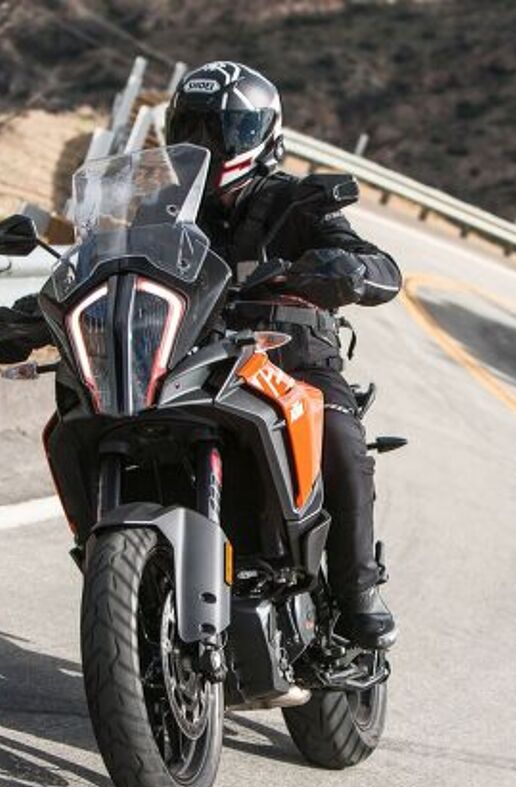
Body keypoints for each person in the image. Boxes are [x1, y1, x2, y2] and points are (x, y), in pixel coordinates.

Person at [165, 62, 400, 650]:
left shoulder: (297, 202)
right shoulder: (166, 211)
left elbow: (380, 267)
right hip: (190, 360)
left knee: (338, 436)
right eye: (193, 130)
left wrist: (349, 270)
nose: (207, 146)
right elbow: (109, 261)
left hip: (293, 360)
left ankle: (357, 593)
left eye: (224, 130)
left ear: (262, 134)